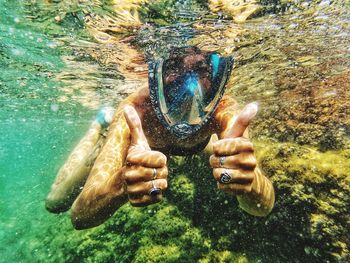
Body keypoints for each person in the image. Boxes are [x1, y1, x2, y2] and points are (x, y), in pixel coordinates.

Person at [46, 47, 275, 230]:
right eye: (175, 66)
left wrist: (248, 183)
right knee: (56, 203)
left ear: (214, 74)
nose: (189, 87)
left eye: (201, 68)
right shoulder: (134, 110)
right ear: (156, 72)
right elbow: (79, 217)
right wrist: (120, 185)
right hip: (136, 150)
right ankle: (97, 126)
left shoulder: (223, 108)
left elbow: (262, 206)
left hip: (198, 146)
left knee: (228, 158)